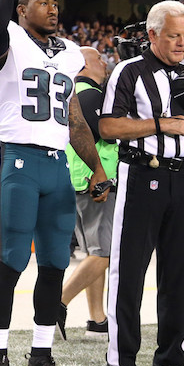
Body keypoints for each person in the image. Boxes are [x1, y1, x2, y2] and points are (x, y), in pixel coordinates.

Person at [0, 0, 109, 366]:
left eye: (55, 2)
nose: (53, 8)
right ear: (20, 9)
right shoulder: (7, 37)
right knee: (13, 260)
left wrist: (94, 167)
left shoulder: (70, 53)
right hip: (18, 159)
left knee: (55, 263)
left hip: (57, 164)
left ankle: (41, 357)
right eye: (42, 1)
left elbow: (74, 118)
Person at [100, 0, 184, 366]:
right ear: (152, 34)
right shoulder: (128, 71)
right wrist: (159, 125)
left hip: (180, 179)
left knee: (178, 273)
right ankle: (121, 359)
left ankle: (170, 355)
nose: (182, 43)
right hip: (141, 175)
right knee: (129, 270)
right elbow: (109, 128)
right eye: (173, 36)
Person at [60, 47, 117, 340]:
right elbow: (106, 131)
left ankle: (97, 319)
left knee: (95, 251)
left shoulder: (73, 93)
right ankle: (57, 303)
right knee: (105, 252)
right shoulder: (91, 94)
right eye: (97, 59)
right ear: (82, 65)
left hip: (81, 178)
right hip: (99, 178)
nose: (104, 63)